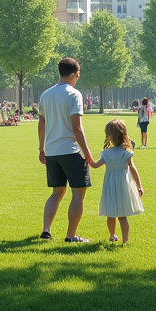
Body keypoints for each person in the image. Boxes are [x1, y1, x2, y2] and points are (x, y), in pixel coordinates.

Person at [38, 57, 95, 243]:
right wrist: (87, 152)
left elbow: (42, 122)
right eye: (78, 75)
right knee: (78, 193)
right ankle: (71, 235)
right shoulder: (74, 94)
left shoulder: (45, 94)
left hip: (52, 151)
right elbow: (77, 127)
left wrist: (41, 148)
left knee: (57, 192)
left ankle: (46, 230)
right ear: (74, 74)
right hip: (70, 150)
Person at [88, 119, 143, 244]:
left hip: (110, 185)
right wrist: (139, 186)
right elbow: (133, 169)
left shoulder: (106, 153)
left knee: (111, 214)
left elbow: (95, 165)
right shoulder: (126, 153)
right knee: (123, 216)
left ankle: (112, 235)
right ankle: (125, 240)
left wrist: (87, 156)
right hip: (124, 185)